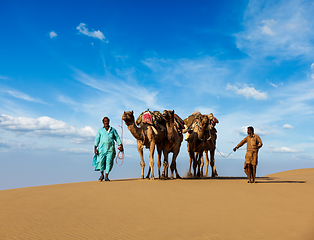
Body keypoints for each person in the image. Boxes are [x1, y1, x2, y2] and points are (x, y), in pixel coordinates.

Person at [93, 117, 123, 181]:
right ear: (103, 122)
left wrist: (120, 145)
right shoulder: (100, 130)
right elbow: (97, 139)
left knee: (108, 162)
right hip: (102, 149)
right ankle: (102, 175)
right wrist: (95, 148)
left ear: (109, 122)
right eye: (105, 121)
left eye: (107, 121)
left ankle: (106, 176)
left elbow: (117, 138)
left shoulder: (113, 130)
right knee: (101, 162)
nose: (106, 122)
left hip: (110, 149)